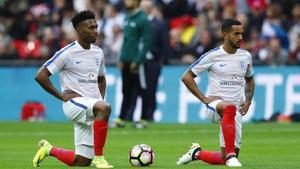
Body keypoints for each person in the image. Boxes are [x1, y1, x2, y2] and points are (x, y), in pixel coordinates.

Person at [32, 10, 113, 168]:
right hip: (73, 104)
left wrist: (99, 101)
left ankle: (49, 149)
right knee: (105, 107)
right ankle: (99, 157)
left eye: (96, 26)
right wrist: (61, 96)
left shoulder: (98, 52)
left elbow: (101, 79)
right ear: (78, 30)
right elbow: (40, 75)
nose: (95, 30)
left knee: (82, 161)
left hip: (90, 107)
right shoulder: (67, 52)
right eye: (90, 28)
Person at [177, 18, 255, 167]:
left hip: (235, 112)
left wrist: (249, 100)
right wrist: (205, 99)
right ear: (225, 34)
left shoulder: (246, 56)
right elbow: (186, 77)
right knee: (229, 107)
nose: (240, 37)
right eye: (236, 34)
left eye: (241, 34)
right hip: (215, 105)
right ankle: (232, 155)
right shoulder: (212, 56)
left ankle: (197, 153)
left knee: (223, 159)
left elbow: (250, 80)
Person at [112, 0, 152, 128]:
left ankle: (144, 119)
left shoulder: (143, 19)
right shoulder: (128, 17)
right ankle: (121, 118)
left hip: (137, 61)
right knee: (126, 90)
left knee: (142, 90)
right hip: (126, 60)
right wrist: (121, 58)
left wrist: (138, 60)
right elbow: (126, 40)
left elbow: (146, 42)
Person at [139, 0, 169, 123]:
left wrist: (161, 60)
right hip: (139, 62)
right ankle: (142, 116)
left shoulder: (160, 24)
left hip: (153, 62)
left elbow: (165, 44)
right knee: (140, 90)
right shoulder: (139, 24)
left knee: (151, 90)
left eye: (144, 8)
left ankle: (149, 116)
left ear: (150, 9)